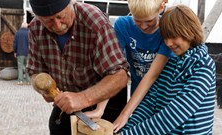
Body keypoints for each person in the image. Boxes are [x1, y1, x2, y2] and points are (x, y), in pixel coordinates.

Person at [27, 0, 129, 134]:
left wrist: (83, 98)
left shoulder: (95, 22)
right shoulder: (35, 28)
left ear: (71, 3)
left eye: (60, 17)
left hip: (105, 99)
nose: (57, 25)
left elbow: (120, 76)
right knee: (57, 128)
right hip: (67, 98)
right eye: (48, 21)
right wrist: (42, 88)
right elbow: (35, 72)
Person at [116, 4, 216, 135]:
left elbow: (174, 114)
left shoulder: (204, 67)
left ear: (189, 31)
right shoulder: (169, 63)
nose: (168, 43)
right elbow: (150, 102)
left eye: (173, 37)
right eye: (165, 38)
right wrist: (126, 128)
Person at [113, 0, 173, 131]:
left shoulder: (168, 29)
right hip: (137, 96)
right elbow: (115, 68)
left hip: (162, 97)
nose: (144, 26)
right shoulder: (123, 25)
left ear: (161, 7)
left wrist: (124, 114)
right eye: (138, 21)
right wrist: (100, 109)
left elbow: (152, 74)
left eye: (149, 21)